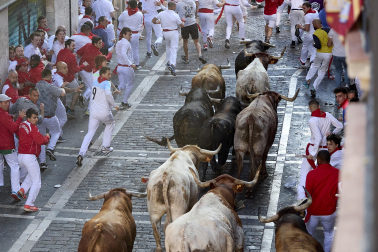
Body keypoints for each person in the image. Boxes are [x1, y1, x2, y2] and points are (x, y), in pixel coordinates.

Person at [297, 99, 343, 200]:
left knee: (304, 174)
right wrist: (332, 134)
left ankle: (301, 200)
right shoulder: (328, 115)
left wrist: (312, 154)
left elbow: (317, 138)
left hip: (314, 148)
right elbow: (340, 126)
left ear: (309, 108)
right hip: (326, 150)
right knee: (323, 175)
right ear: (319, 107)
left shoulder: (312, 120)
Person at [76, 67, 120, 166]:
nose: (110, 76)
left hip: (94, 112)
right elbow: (108, 94)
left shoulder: (95, 82)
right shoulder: (107, 83)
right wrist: (114, 105)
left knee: (90, 133)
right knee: (110, 124)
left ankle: (81, 153)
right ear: (103, 74)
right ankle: (105, 146)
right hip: (104, 111)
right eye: (108, 74)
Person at [305, 150, 339, 252]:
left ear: (319, 160)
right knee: (329, 234)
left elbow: (308, 193)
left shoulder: (311, 174)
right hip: (329, 211)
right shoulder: (338, 173)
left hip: (313, 211)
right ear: (329, 160)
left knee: (308, 234)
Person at [18, 108, 51, 212]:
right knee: (37, 181)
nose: (36, 119)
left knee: (31, 175)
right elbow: (40, 140)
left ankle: (22, 189)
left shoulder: (22, 124)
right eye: (34, 118)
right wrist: (47, 137)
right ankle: (29, 204)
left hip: (20, 156)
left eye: (36, 117)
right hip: (29, 156)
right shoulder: (32, 127)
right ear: (29, 118)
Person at [36, 69, 66, 169]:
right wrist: (63, 88)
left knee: (41, 140)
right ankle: (51, 148)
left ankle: (42, 162)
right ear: (49, 76)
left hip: (39, 117)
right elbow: (62, 93)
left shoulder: (37, 85)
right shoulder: (51, 86)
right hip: (50, 116)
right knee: (56, 132)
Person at [77, 36, 113, 114]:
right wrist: (111, 52)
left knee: (90, 87)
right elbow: (105, 58)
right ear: (95, 44)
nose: (101, 44)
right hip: (87, 71)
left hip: (81, 69)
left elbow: (79, 53)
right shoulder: (97, 53)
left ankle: (84, 97)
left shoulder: (87, 45)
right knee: (93, 89)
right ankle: (89, 109)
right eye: (99, 43)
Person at [0, 94, 26, 201]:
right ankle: (15, 190)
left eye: (8, 102)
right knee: (14, 166)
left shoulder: (4, 114)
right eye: (5, 102)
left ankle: (1, 183)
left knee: (0, 164)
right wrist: (20, 118)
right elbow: (13, 127)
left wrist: (11, 117)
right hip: (7, 145)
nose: (7, 104)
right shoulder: (5, 115)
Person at [56, 39, 88, 115]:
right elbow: (75, 70)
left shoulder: (60, 52)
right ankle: (71, 109)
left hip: (59, 77)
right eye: (73, 46)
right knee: (77, 90)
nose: (75, 47)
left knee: (61, 93)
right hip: (68, 78)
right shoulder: (71, 56)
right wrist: (84, 65)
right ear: (67, 46)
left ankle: (64, 109)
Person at [152, 1, 184, 76]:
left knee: (168, 47)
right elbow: (181, 25)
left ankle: (168, 61)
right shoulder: (175, 15)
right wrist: (183, 21)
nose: (175, 7)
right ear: (172, 7)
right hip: (173, 33)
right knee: (174, 48)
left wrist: (159, 22)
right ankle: (172, 64)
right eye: (175, 6)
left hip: (165, 33)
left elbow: (153, 20)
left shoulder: (162, 13)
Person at [302, 19, 332, 97]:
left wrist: (314, 44)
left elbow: (318, 45)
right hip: (328, 53)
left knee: (314, 66)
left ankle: (307, 81)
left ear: (315, 25)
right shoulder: (328, 30)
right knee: (322, 71)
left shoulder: (315, 33)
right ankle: (314, 87)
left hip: (319, 53)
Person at [176, 0, 208, 64]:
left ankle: (187, 58)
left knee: (185, 42)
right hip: (193, 24)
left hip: (184, 25)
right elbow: (195, 12)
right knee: (196, 42)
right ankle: (200, 54)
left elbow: (174, 11)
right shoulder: (193, 3)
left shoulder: (179, 4)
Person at [118, 0, 144, 69]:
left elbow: (119, 19)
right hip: (135, 34)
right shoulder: (140, 14)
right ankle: (137, 64)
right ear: (136, 5)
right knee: (135, 49)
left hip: (126, 34)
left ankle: (127, 63)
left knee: (125, 49)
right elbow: (141, 23)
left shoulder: (124, 13)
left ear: (129, 5)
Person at [115, 27, 137, 110]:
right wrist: (131, 64)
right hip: (126, 67)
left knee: (122, 85)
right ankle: (124, 102)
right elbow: (123, 54)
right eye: (129, 34)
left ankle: (115, 89)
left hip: (119, 67)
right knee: (130, 85)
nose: (131, 36)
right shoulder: (126, 43)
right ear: (124, 34)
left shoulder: (118, 42)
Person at [297, 2, 318, 66]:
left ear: (309, 8)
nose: (303, 9)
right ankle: (312, 60)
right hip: (316, 34)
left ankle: (303, 60)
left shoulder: (307, 16)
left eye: (304, 8)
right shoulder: (316, 12)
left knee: (305, 47)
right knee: (314, 48)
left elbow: (307, 29)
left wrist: (300, 27)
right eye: (302, 8)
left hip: (309, 34)